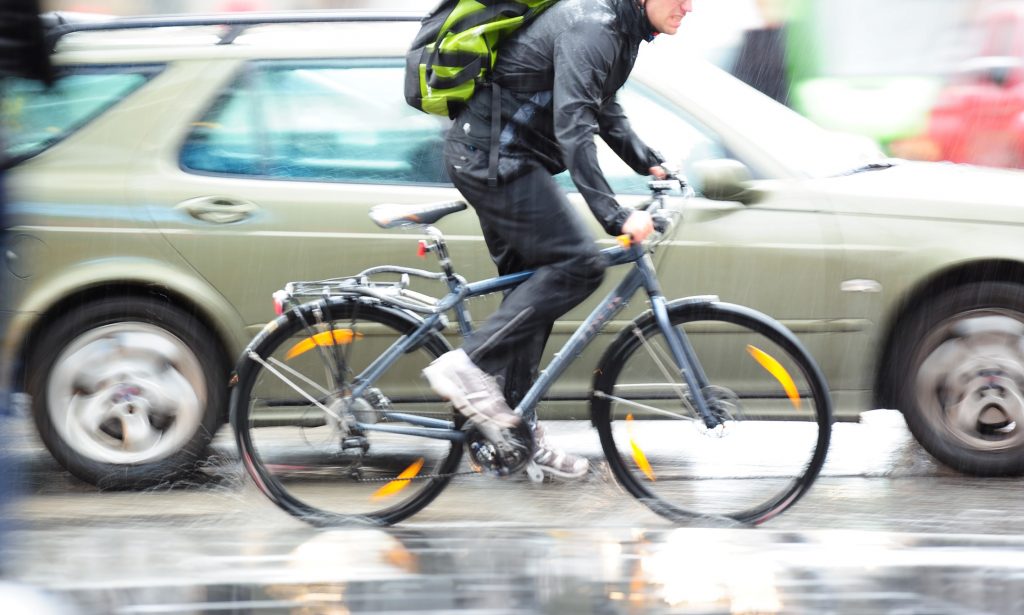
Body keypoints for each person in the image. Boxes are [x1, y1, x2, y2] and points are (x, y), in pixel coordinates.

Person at [423, 0, 692, 479]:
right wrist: (614, 214)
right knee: (578, 265)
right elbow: (574, 124)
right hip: (494, 159)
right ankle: (466, 365)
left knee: (533, 299)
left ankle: (516, 433)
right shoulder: (595, 26)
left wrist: (649, 161)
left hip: (501, 157)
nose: (689, 6)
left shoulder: (619, 30)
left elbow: (602, 106)